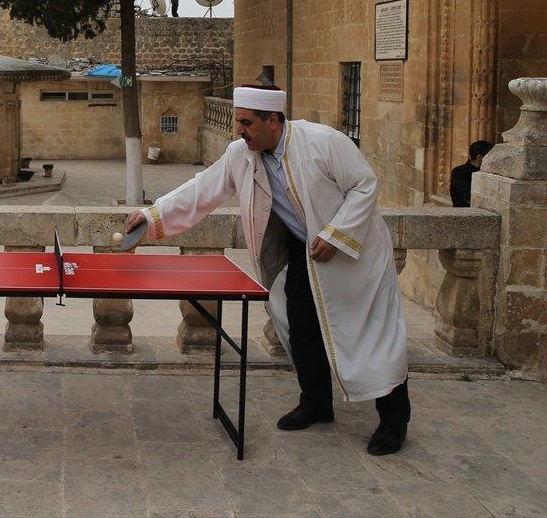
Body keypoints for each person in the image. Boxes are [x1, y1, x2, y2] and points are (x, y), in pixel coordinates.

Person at [125, 84, 410, 455]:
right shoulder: (241, 154)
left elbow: (365, 185)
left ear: (273, 122)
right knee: (303, 326)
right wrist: (152, 213)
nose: (238, 130)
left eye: (246, 123)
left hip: (356, 256)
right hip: (304, 253)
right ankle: (316, 403)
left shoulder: (323, 142)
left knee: (375, 338)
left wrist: (338, 234)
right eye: (239, 121)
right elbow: (202, 189)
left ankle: (393, 421)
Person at [450, 140, 494, 207]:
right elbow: (471, 196)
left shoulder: (490, 172)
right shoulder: (459, 172)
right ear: (479, 157)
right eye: (490, 156)